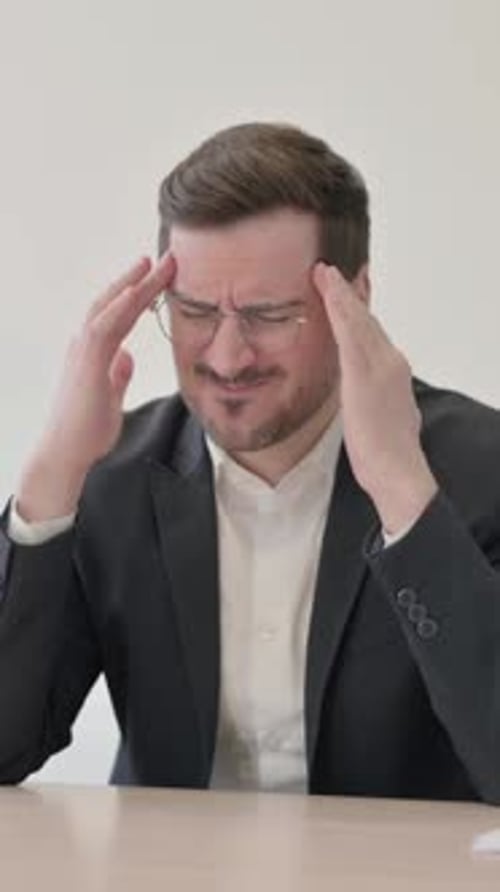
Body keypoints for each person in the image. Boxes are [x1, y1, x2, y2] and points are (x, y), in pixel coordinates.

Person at [1, 122, 500, 802]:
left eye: (269, 314)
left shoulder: (479, 470)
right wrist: (50, 476)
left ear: (355, 297)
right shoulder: (113, 476)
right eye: (195, 311)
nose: (228, 357)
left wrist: (401, 491)